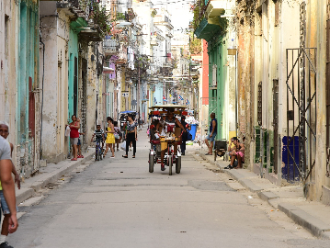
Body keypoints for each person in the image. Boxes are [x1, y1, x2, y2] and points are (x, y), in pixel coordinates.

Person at [0, 123, 20, 248]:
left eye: (5, 131)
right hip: (4, 184)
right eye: (0, 130)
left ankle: (2, 241)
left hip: (2, 187)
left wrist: (16, 174)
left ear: (8, 133)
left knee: (7, 214)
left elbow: (8, 162)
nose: (2, 133)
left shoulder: (7, 145)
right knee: (9, 213)